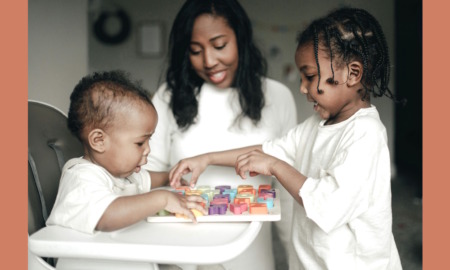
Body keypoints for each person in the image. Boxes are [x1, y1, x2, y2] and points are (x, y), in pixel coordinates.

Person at [169, 7, 403, 270]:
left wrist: (275, 167)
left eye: (310, 77)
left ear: (353, 73)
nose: (302, 87)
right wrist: (207, 158)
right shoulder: (318, 124)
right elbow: (269, 151)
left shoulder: (365, 135)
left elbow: (328, 204)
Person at [142, 0, 297, 269]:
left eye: (219, 46)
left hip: (252, 256)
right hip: (181, 254)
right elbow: (145, 178)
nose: (209, 61)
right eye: (195, 50)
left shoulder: (278, 96)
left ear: (241, 38)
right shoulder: (169, 96)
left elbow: (287, 191)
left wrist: (296, 260)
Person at [46, 70, 207, 234]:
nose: (148, 149)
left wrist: (170, 178)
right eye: (140, 143)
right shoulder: (81, 179)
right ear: (99, 141)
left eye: (148, 141)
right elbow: (107, 216)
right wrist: (162, 198)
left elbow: (148, 179)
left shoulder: (123, 174)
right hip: (83, 259)